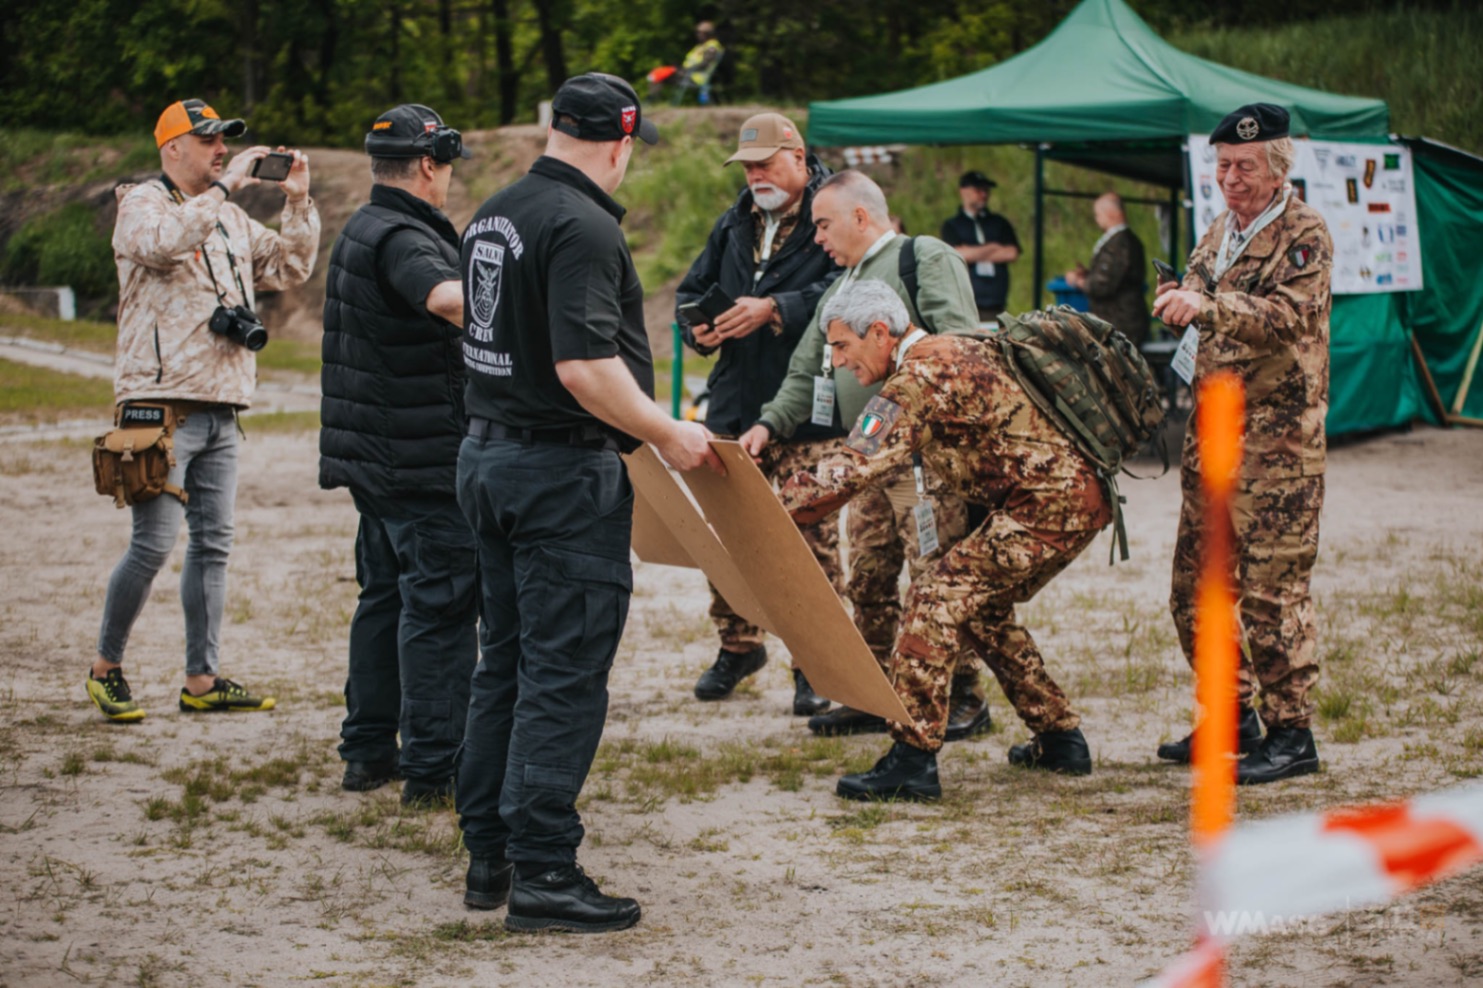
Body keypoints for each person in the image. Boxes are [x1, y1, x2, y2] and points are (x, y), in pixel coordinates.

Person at [455, 73, 720, 933]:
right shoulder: (583, 225)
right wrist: (666, 433)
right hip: (556, 476)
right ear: (621, 144)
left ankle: (490, 852)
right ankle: (542, 871)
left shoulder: (496, 209)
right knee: (562, 677)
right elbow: (582, 366)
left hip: (489, 457)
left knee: (507, 661)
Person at [778, 280, 1111, 800]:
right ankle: (1061, 738)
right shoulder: (953, 349)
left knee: (936, 596)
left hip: (1046, 507)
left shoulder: (922, 375)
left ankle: (912, 759)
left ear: (881, 333)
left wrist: (774, 508)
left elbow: (857, 460)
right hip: (1070, 501)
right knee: (981, 611)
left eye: (843, 345)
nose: (839, 361)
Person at [87, 98, 319, 723]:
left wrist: (298, 200)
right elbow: (164, 245)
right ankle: (106, 668)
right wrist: (223, 189)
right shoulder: (142, 205)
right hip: (157, 408)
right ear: (173, 150)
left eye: (224, 141)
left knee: (213, 546)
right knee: (153, 544)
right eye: (208, 139)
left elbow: (292, 266)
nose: (221, 149)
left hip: (222, 405)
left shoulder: (233, 222)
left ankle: (201, 678)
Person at [739, 170, 990, 743]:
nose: (817, 238)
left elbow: (961, 350)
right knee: (871, 579)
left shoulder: (923, 259)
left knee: (936, 577)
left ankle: (964, 696)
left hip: (927, 462)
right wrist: (767, 425)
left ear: (860, 216)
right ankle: (876, 693)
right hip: (869, 458)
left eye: (823, 224)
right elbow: (806, 370)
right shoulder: (840, 286)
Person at [1151, 103, 1332, 786]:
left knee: (1269, 594)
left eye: (1243, 167)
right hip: (1214, 441)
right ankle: (1231, 716)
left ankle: (1291, 735)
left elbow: (1289, 316)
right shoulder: (1221, 228)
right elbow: (1200, 279)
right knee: (1192, 591)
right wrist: (1181, 292)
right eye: (1221, 166)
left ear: (1277, 166)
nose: (1229, 178)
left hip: (1276, 449)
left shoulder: (1303, 232)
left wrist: (1209, 306)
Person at [319, 104, 478, 806]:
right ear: (426, 165)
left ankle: (367, 750)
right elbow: (444, 296)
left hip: (377, 460)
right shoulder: (405, 236)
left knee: (384, 599)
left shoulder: (362, 225)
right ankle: (434, 767)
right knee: (439, 610)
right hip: (420, 463)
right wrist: (523, 306)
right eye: (445, 168)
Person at [675, 111, 840, 715]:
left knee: (809, 540)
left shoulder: (835, 209)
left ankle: (815, 663)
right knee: (730, 534)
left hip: (805, 410)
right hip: (733, 401)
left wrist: (776, 308)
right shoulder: (733, 222)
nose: (755, 175)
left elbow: (853, 287)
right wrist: (702, 329)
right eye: (747, 166)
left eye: (766, 163)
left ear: (798, 157)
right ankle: (739, 644)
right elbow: (690, 291)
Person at [1065, 193, 1150, 345]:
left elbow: (1102, 285)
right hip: (1121, 320)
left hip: (1120, 323)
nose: (1097, 219)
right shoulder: (1125, 241)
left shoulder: (1119, 244)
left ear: (1110, 213)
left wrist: (1079, 281)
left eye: (1098, 214)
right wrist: (1088, 273)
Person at [940, 170, 1019, 322]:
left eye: (985, 190)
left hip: (996, 301)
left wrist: (972, 251)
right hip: (967, 302)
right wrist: (993, 248)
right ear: (963, 192)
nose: (983, 195)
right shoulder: (952, 225)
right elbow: (958, 254)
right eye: (978, 190)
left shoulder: (999, 222)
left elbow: (1011, 253)